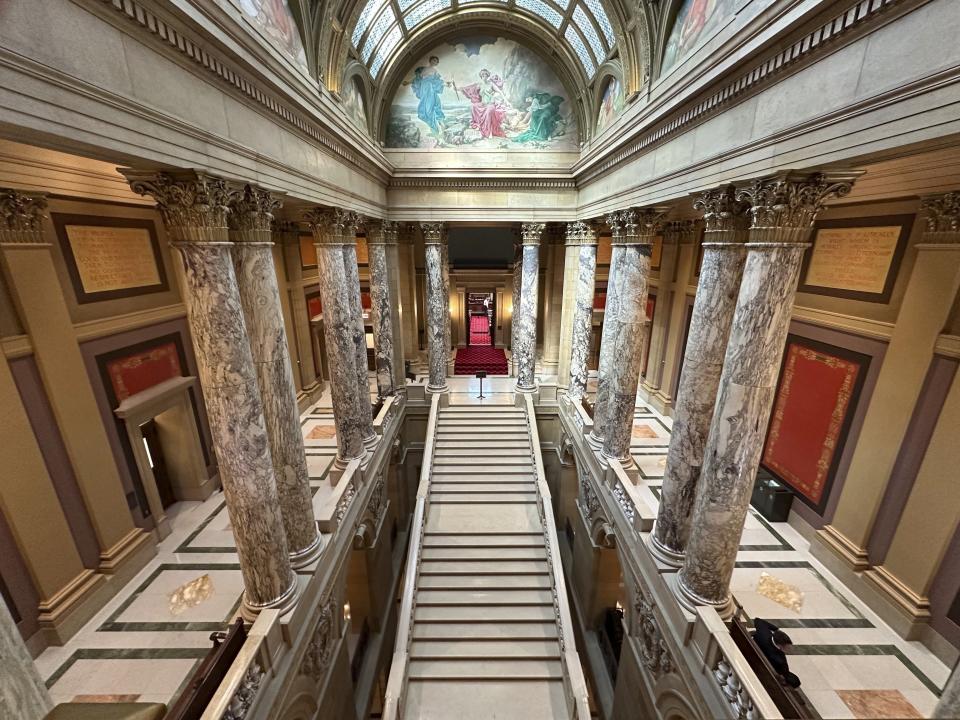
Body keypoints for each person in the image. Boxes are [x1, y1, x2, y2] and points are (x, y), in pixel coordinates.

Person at [404, 56, 449, 140]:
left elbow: (438, 82)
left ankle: (437, 128)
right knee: (425, 110)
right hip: (424, 90)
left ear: (437, 63)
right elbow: (417, 79)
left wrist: (447, 84)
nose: (434, 62)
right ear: (430, 60)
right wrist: (408, 82)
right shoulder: (423, 69)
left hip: (431, 90)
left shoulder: (435, 71)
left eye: (436, 61)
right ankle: (434, 129)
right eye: (434, 60)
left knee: (430, 109)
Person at [753, 618, 801, 689]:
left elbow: (757, 620)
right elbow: (785, 672)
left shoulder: (763, 632)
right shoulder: (780, 660)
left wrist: (776, 629)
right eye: (788, 648)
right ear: (780, 646)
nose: (789, 650)